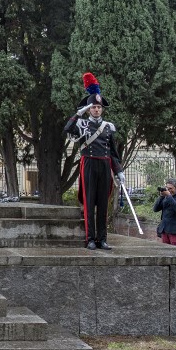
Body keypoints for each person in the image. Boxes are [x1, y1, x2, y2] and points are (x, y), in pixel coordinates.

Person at [63, 72, 124, 251]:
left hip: (105, 165)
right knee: (90, 203)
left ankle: (102, 239)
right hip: (88, 163)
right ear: (88, 109)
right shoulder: (81, 124)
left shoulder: (108, 127)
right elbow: (67, 129)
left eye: (98, 107)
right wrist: (77, 114)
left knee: (103, 204)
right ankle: (90, 239)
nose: (96, 109)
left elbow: (113, 152)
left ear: (102, 109)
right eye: (93, 107)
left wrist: (119, 170)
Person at [153, 178, 176, 246]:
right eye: (167, 188)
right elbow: (155, 209)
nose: (169, 190)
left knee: (175, 252)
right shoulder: (165, 197)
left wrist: (169, 196)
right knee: (165, 252)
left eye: (171, 188)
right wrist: (161, 196)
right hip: (164, 229)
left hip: (175, 230)